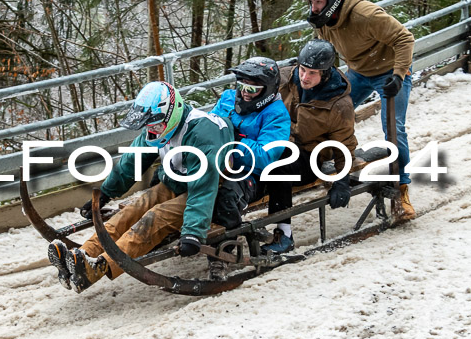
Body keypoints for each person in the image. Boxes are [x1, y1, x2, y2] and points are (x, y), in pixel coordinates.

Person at [47, 81, 234, 293]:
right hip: (178, 181)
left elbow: (203, 188)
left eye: (154, 125)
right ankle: (83, 254)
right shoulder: (158, 130)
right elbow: (131, 162)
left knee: (156, 217)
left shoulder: (203, 133)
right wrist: (105, 193)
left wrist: (193, 233)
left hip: (212, 187)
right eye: (147, 125)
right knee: (135, 208)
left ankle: (98, 268)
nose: (151, 130)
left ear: (171, 114)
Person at [301, 0, 416, 220]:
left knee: (393, 127)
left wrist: (399, 74)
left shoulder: (366, 15)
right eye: (311, 3)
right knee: (327, 112)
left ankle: (402, 188)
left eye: (318, 2)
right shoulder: (324, 21)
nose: (314, 8)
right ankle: (327, 162)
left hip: (389, 71)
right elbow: (326, 51)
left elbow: (404, 38)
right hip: (358, 72)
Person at [263, 39, 358, 253]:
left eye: (313, 73)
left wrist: (341, 180)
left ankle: (284, 235)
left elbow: (345, 144)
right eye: (303, 70)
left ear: (325, 73)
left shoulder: (338, 104)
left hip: (309, 156)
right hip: (275, 141)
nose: (305, 77)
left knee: (279, 167)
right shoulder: (284, 78)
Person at [207, 57, 291, 278]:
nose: (245, 92)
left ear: (267, 90)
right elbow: (209, 125)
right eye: (242, 86)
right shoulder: (227, 99)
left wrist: (235, 141)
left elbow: (265, 156)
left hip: (252, 174)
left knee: (225, 195)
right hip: (217, 161)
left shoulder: (277, 115)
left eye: (252, 89)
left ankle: (221, 255)